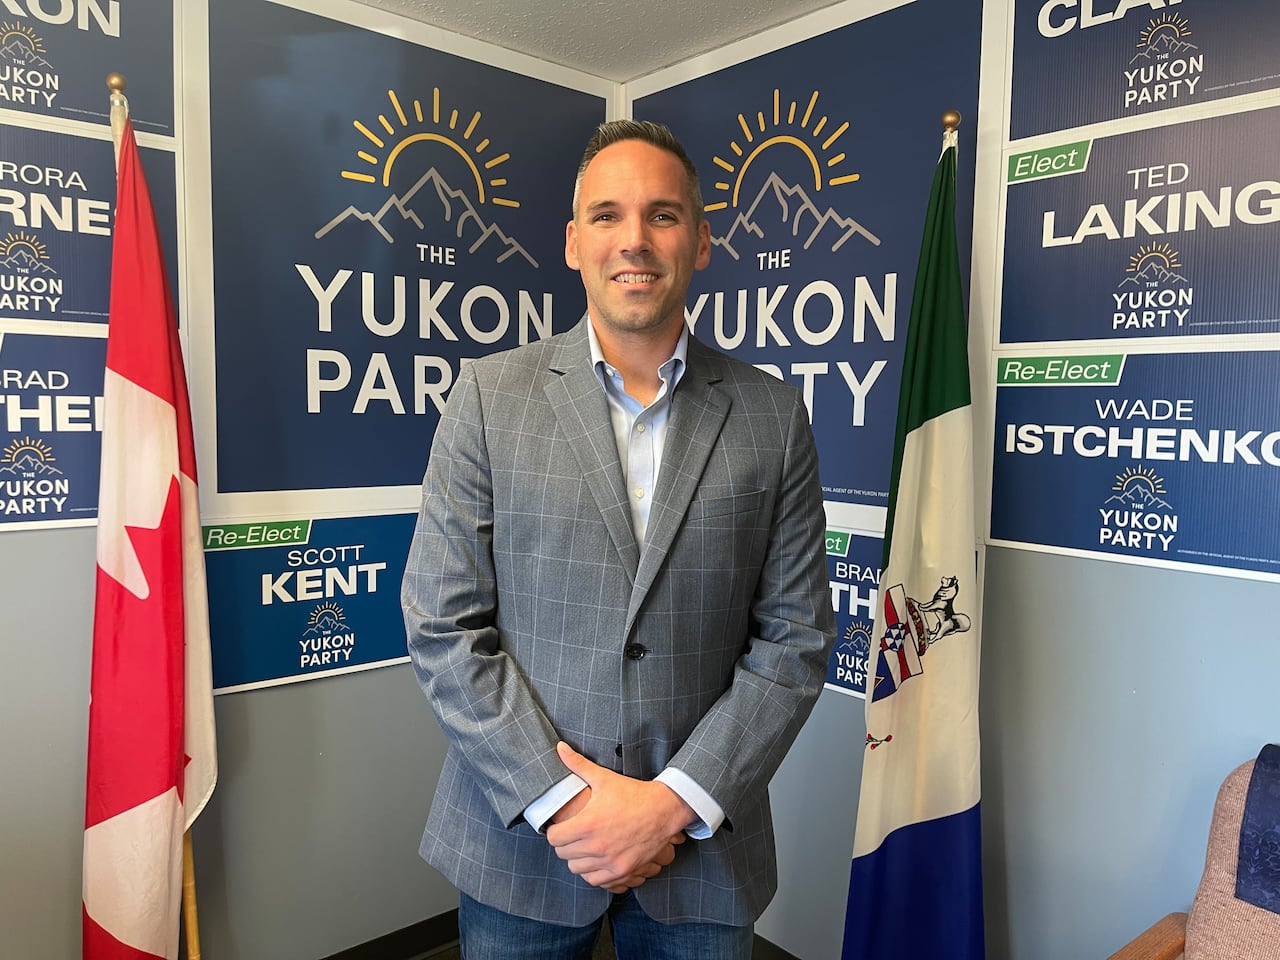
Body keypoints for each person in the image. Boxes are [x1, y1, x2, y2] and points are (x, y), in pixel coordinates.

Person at [402, 119, 835, 960]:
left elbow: (795, 639)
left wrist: (669, 804)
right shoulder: (490, 398)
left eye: (663, 215)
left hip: (701, 850)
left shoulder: (772, 416)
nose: (634, 239)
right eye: (607, 215)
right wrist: (564, 801)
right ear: (573, 242)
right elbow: (441, 624)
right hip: (523, 841)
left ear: (702, 241)